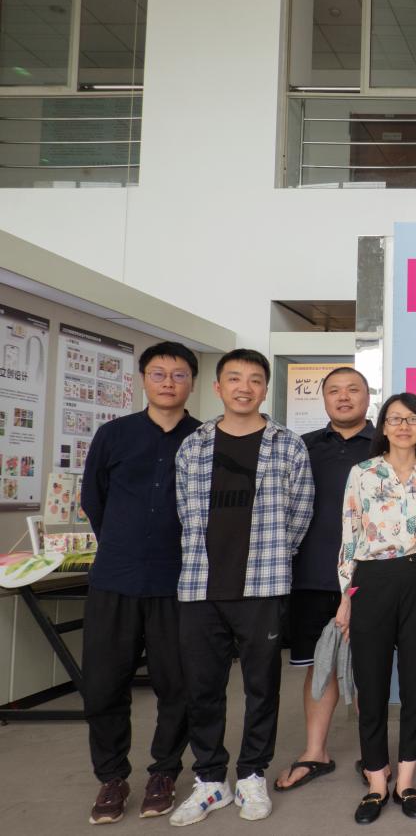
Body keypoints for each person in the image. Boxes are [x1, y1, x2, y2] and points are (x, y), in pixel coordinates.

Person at [169, 349, 314, 827]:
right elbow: (184, 510)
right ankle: (211, 779)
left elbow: (301, 512)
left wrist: (274, 557)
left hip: (263, 584)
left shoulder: (288, 445)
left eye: (254, 380)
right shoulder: (193, 446)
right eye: (234, 379)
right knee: (202, 688)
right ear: (218, 387)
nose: (244, 387)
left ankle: (252, 773)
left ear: (265, 389)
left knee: (261, 687)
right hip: (200, 585)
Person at [80, 342, 201, 825]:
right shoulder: (113, 435)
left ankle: (164, 772)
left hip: (178, 582)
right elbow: (94, 499)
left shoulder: (204, 439)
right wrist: (124, 542)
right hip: (117, 577)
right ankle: (111, 777)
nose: (168, 382)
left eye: (178, 374)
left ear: (192, 382)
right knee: (103, 685)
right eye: (158, 373)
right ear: (143, 379)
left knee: (179, 686)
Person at [335, 392, 416, 824]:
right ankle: (377, 781)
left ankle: (406, 781)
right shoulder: (362, 473)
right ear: (383, 426)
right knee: (372, 685)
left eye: (412, 419)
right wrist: (345, 597)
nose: (403, 426)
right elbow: (349, 535)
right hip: (372, 581)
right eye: (395, 419)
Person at [274, 367, 374, 793]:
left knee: (371, 666)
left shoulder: (388, 443)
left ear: (368, 396)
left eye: (353, 389)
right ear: (324, 398)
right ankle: (315, 752)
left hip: (372, 575)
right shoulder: (302, 447)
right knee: (319, 664)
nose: (343, 397)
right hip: (313, 574)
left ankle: (375, 757)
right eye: (334, 390)